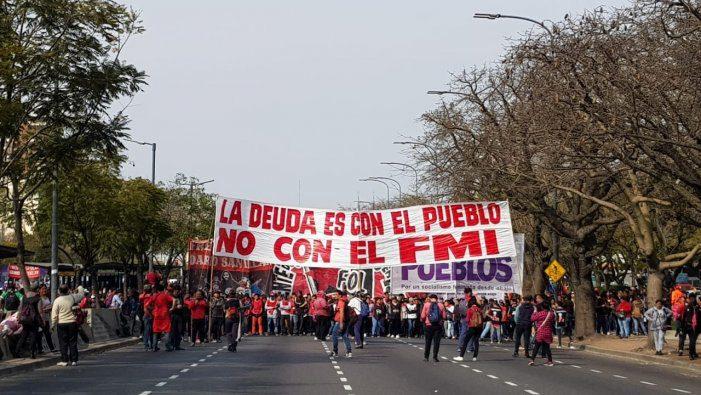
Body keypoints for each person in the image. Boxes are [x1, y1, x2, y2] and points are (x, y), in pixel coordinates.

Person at [50, 284, 85, 366]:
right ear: (68, 290)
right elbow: (82, 294)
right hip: (72, 323)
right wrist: (80, 287)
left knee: (63, 343)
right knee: (73, 342)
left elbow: (54, 314)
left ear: (59, 291)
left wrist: (52, 325)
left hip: (61, 324)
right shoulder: (73, 297)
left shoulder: (57, 300)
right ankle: (74, 360)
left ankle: (64, 360)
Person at [15, 282, 42, 359]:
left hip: (24, 319)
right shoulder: (38, 298)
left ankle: (17, 352)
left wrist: (19, 317)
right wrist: (42, 321)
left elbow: (20, 308)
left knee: (24, 335)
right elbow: (40, 311)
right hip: (34, 320)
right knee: (33, 335)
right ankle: (32, 353)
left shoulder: (24, 296)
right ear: (37, 289)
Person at [420, 294, 446, 363]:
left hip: (429, 325)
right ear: (436, 299)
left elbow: (422, 316)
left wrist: (424, 320)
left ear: (430, 299)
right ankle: (435, 357)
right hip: (438, 325)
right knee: (436, 342)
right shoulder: (441, 305)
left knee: (428, 341)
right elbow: (444, 316)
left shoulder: (426, 305)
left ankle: (426, 357)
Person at [529, 301, 555, 366]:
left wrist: (534, 312)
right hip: (548, 332)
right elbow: (553, 320)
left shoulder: (539, 314)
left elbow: (532, 319)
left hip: (540, 332)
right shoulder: (551, 314)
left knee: (536, 347)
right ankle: (550, 361)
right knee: (547, 348)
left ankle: (532, 360)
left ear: (542, 307)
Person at [151, 284, 175, 352]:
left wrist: (152, 311)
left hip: (156, 315)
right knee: (167, 330)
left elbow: (147, 304)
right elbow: (174, 300)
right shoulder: (165, 295)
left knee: (155, 331)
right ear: (163, 289)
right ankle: (167, 346)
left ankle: (154, 346)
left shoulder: (154, 296)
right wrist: (172, 308)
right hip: (165, 314)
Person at [330, 289, 352, 358]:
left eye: (336, 294)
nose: (334, 296)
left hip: (340, 321)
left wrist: (341, 323)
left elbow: (341, 312)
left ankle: (335, 351)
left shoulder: (341, 302)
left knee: (334, 335)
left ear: (339, 295)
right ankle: (349, 352)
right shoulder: (342, 301)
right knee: (344, 336)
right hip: (344, 321)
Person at [678, 295, 700, 360]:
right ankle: (680, 349)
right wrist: (681, 327)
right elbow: (683, 318)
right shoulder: (686, 307)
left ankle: (691, 354)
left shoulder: (697, 307)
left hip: (693, 327)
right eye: (690, 298)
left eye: (693, 298)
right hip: (686, 326)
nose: (692, 300)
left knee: (692, 341)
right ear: (689, 299)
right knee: (682, 338)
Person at [37, 284, 55, 353]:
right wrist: (45, 310)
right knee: (40, 334)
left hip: (47, 318)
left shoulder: (47, 298)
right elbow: (39, 310)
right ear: (39, 290)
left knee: (47, 334)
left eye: (45, 289)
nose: (44, 290)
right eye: (43, 289)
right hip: (41, 319)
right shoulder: (38, 298)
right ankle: (40, 349)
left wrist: (50, 308)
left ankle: (51, 348)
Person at [167, 285, 185, 351]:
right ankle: (171, 344)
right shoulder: (170, 297)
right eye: (176, 291)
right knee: (172, 331)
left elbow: (183, 304)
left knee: (179, 331)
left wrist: (181, 306)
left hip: (179, 315)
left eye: (178, 291)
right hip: (173, 315)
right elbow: (168, 306)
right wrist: (175, 307)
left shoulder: (180, 297)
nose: (177, 292)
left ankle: (177, 345)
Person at [139, 285, 154, 350]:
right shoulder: (148, 296)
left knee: (149, 330)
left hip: (149, 314)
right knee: (148, 330)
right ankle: (147, 344)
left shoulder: (145, 296)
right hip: (148, 314)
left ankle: (149, 344)